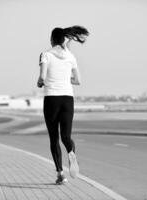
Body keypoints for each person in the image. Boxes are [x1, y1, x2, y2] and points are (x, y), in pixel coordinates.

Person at [37, 25, 89, 185]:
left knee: (54, 138)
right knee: (66, 136)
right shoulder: (70, 56)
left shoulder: (45, 54)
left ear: (52, 39)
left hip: (52, 99)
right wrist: (65, 79)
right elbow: (78, 81)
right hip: (67, 98)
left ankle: (60, 174)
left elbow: (42, 78)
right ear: (63, 39)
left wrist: (40, 83)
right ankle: (71, 153)